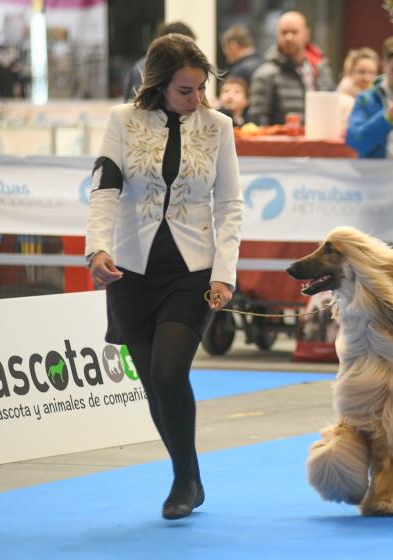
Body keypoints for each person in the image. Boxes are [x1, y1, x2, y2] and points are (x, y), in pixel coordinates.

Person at [86, 33, 243, 520]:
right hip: (132, 271)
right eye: (185, 90)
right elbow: (105, 188)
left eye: (200, 89)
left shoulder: (218, 126)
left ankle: (182, 479)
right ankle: (189, 473)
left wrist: (225, 273)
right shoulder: (121, 121)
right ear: (156, 85)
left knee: (169, 372)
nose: (196, 99)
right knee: (154, 386)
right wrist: (97, 248)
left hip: (191, 272)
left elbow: (230, 205)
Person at [248, 11, 336, 125]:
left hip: (317, 139)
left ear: (307, 35)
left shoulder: (321, 69)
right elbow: (258, 121)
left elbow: (331, 108)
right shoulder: (265, 75)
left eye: (294, 32)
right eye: (284, 33)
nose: (289, 37)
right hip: (281, 141)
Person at [122, 21, 196, 102]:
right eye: (188, 46)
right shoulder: (147, 67)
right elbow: (137, 104)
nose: (191, 52)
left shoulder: (166, 65)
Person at [337, 47, 380, 132]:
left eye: (371, 72)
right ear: (350, 72)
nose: (366, 78)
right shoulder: (342, 99)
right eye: (361, 72)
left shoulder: (378, 97)